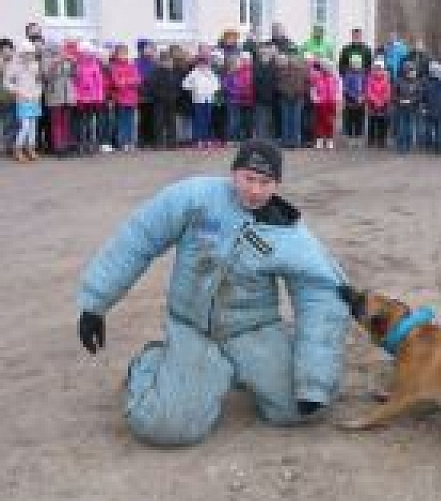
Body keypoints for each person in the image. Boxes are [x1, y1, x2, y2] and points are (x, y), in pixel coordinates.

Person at [76, 139, 350, 446]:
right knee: (167, 428)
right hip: (192, 328)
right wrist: (95, 304)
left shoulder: (287, 232)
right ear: (233, 174)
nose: (256, 190)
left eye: (265, 182)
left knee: (301, 410)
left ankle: (262, 359)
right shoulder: (194, 197)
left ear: (277, 184)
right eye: (249, 179)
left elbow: (322, 294)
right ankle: (152, 361)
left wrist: (314, 381)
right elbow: (138, 238)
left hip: (252, 328)